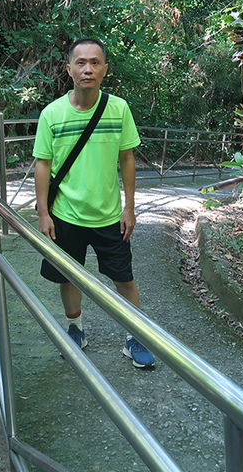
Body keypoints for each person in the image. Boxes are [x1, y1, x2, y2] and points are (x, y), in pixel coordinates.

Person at [34, 38, 155, 369]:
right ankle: (76, 329)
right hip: (65, 215)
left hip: (108, 216)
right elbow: (42, 164)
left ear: (105, 69)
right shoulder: (52, 114)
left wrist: (130, 207)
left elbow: (127, 159)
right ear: (69, 68)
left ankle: (135, 336)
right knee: (68, 277)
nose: (88, 69)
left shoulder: (118, 109)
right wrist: (44, 213)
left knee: (124, 278)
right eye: (81, 62)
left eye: (95, 63)